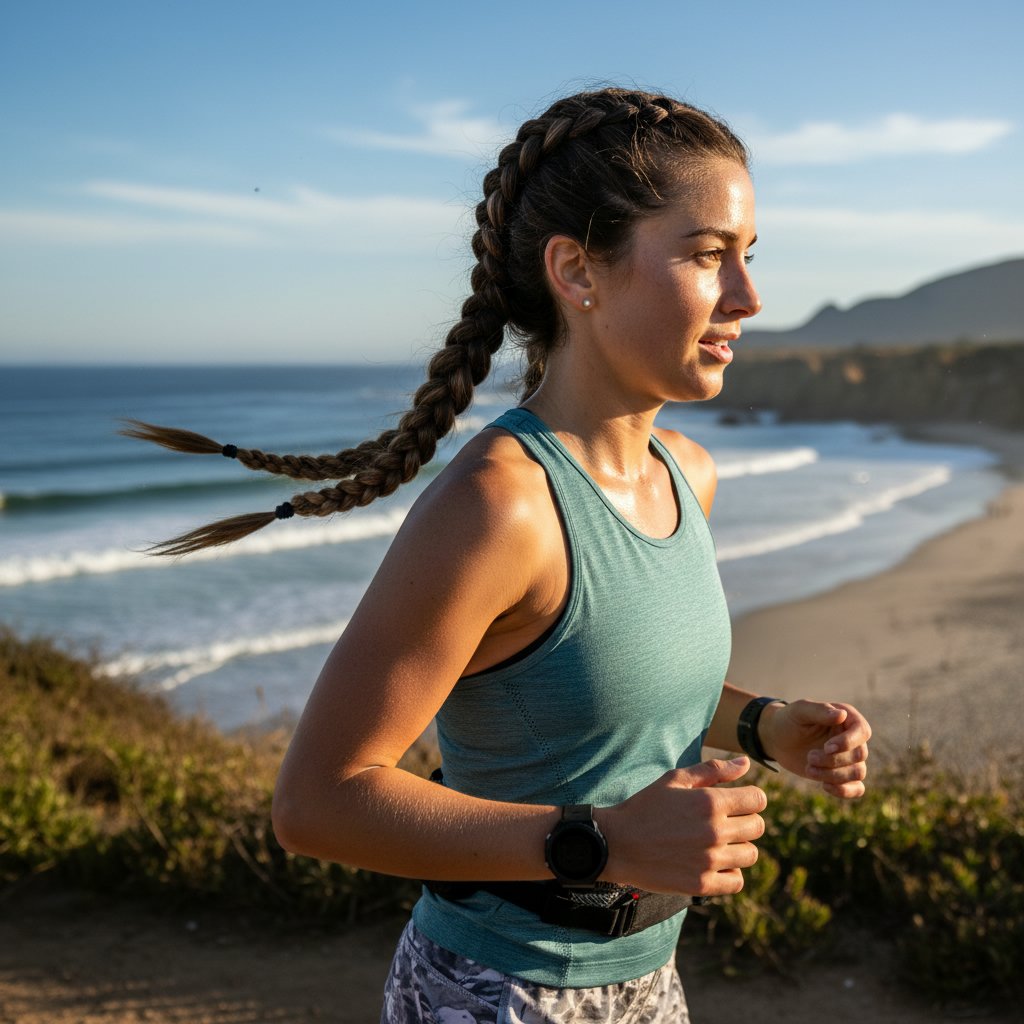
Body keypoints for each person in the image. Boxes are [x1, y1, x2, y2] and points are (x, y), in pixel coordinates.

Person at [124, 88, 871, 1023]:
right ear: (578, 271)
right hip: (496, 994)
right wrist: (601, 843)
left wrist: (766, 726)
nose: (749, 299)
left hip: (648, 982)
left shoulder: (687, 475)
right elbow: (318, 802)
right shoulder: (500, 507)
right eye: (706, 255)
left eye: (748, 257)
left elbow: (596, 689)